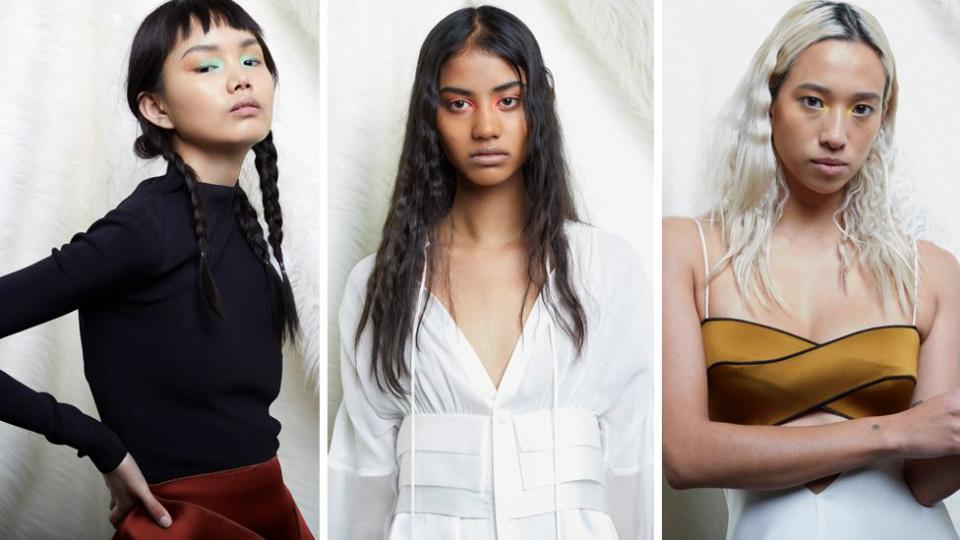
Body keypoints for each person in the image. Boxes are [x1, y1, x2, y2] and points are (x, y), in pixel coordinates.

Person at [328, 5, 651, 539]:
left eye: (508, 100)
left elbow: (631, 463)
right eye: (458, 103)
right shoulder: (377, 283)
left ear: (537, 109)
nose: (485, 127)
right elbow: (363, 478)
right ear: (429, 116)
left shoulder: (607, 270)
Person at [0, 1, 313, 537]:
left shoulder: (244, 221)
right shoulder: (146, 227)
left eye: (252, 60)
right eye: (207, 66)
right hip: (185, 520)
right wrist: (99, 443)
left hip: (270, 507)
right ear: (157, 108)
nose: (240, 79)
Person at [664, 2, 960, 539]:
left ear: (883, 119)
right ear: (769, 104)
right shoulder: (689, 250)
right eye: (813, 101)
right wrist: (892, 432)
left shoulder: (931, 272)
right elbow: (684, 457)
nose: (836, 134)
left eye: (862, 109)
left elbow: (929, 479)